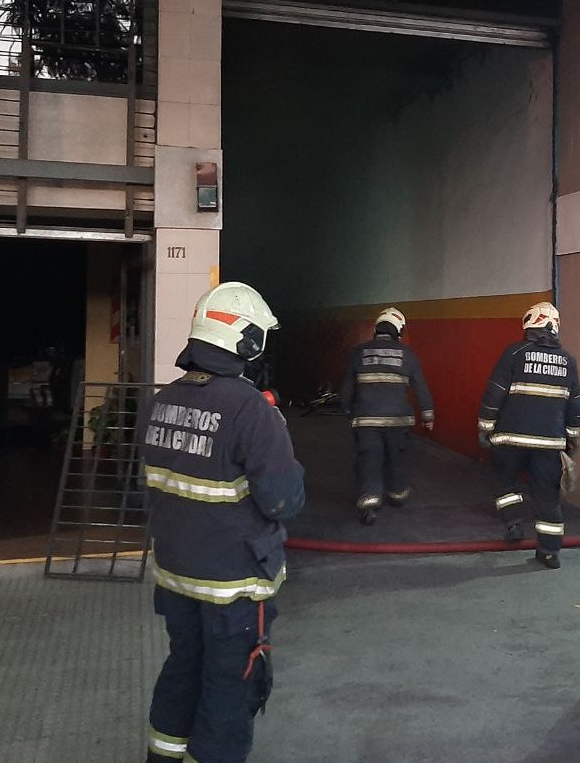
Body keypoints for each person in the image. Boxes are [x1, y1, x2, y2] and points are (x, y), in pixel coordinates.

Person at [139, 282, 305, 763]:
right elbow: (282, 502)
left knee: (183, 668)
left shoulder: (160, 401)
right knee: (230, 690)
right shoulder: (252, 410)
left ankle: (162, 756)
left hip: (175, 576)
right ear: (247, 342)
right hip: (233, 586)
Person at [476, 301, 580, 569]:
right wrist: (572, 436)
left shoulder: (515, 353)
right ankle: (549, 552)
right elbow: (576, 402)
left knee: (505, 481)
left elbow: (494, 392)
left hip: (510, 438)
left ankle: (513, 523)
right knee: (547, 495)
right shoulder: (568, 361)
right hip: (549, 442)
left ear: (531, 324)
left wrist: (485, 426)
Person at [340, 307, 434, 525]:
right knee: (397, 457)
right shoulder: (407, 355)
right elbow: (421, 387)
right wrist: (428, 416)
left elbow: (346, 388)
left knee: (369, 459)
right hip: (398, 420)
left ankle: (369, 503)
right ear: (398, 331)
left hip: (366, 420)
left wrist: (347, 409)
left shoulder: (358, 352)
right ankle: (397, 495)